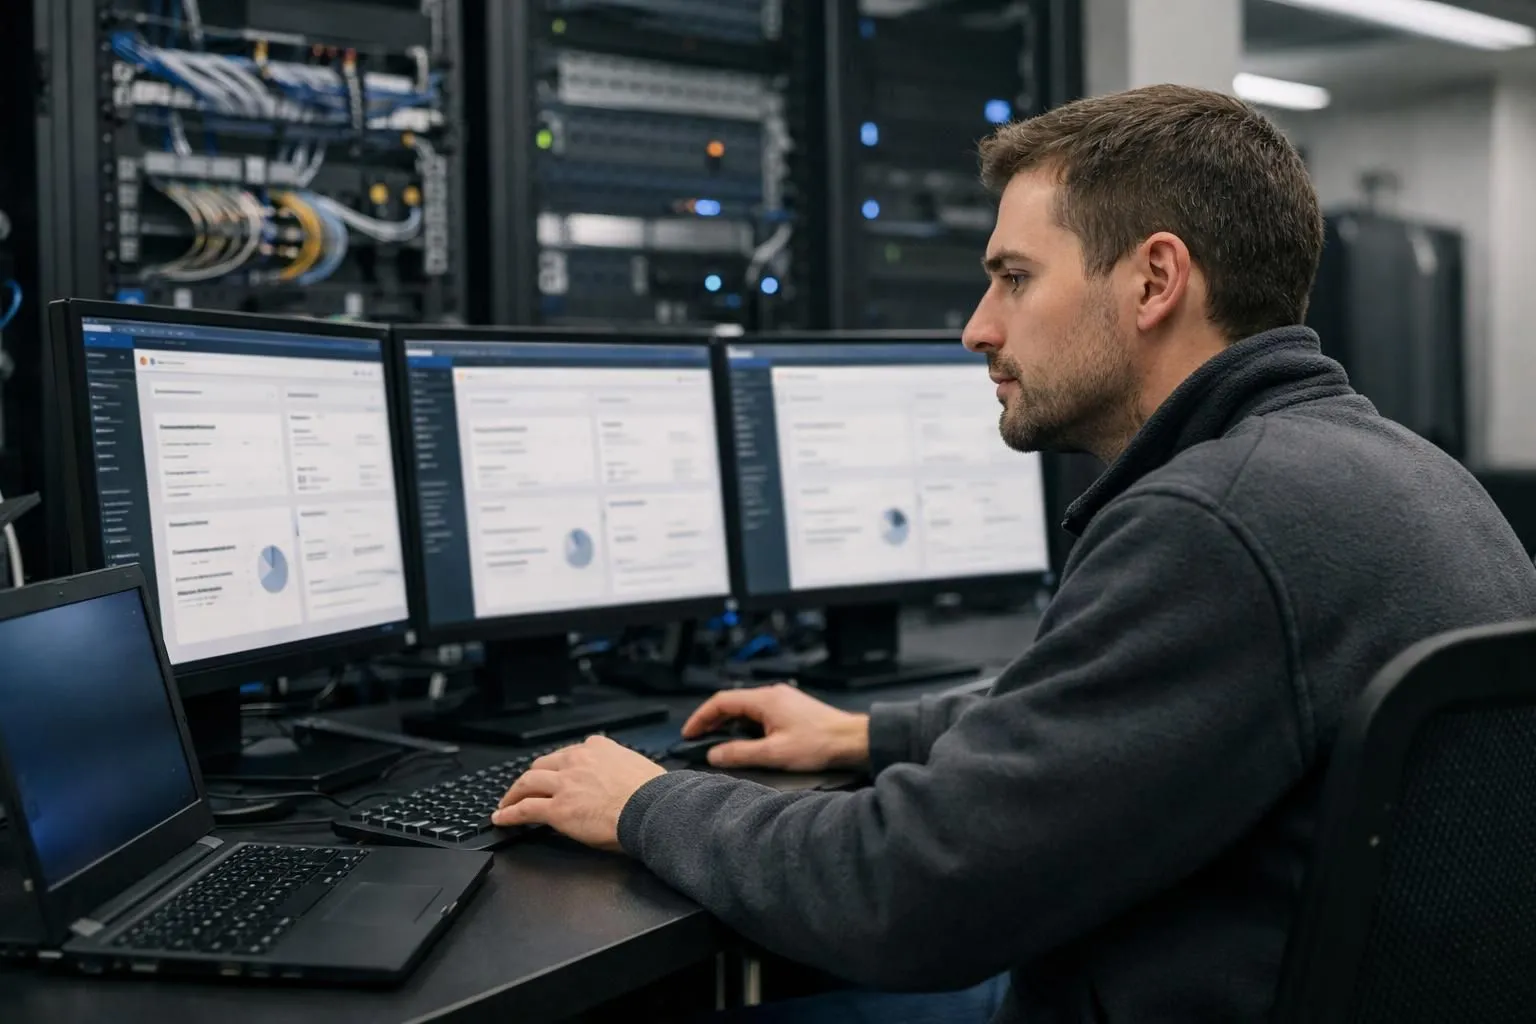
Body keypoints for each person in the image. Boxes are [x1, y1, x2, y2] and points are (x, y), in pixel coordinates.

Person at [493, 84, 1536, 1022]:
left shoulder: (1213, 522)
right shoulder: (1403, 473)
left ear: (1155, 279)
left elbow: (904, 892)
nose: (977, 329)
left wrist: (645, 802)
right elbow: (1116, 718)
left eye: (1013, 279)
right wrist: (868, 733)